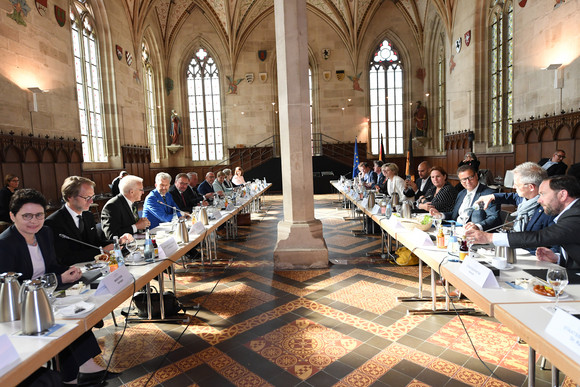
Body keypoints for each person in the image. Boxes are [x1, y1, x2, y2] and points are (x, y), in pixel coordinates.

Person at [0, 189, 119, 385]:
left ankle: (85, 367)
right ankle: (72, 376)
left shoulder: (45, 232)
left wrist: (67, 271)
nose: (34, 221)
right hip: (23, 306)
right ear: (13, 216)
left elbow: (51, 264)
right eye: (27, 216)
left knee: (76, 316)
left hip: (49, 293)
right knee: (63, 322)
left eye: (39, 215)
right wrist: (57, 277)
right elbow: (11, 288)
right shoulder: (5, 244)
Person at [467, 175, 580, 268]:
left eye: (543, 194)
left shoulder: (575, 215)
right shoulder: (571, 212)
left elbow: (539, 237)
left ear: (563, 195)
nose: (539, 200)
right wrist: (557, 258)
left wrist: (488, 237)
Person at [45, 176, 132, 265]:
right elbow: (64, 257)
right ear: (70, 197)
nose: (91, 201)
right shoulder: (53, 222)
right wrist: (101, 251)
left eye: (92, 197)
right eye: (87, 197)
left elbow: (94, 243)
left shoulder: (88, 215)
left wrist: (118, 242)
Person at [476, 162, 554, 236]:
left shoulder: (548, 209)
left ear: (531, 187)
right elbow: (511, 197)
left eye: (517, 184)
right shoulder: (523, 198)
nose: (513, 187)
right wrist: (492, 196)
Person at [430, 165, 501, 231]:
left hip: (474, 233)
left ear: (476, 176)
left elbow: (494, 217)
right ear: (460, 181)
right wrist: (440, 215)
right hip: (456, 229)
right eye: (464, 179)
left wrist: (478, 226)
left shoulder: (488, 194)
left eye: (470, 177)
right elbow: (455, 214)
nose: (468, 182)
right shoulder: (461, 193)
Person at [101, 175, 150, 239]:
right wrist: (136, 226)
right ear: (131, 192)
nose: (143, 192)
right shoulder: (112, 206)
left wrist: (143, 224)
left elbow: (133, 224)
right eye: (141, 190)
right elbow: (112, 235)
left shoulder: (133, 203)